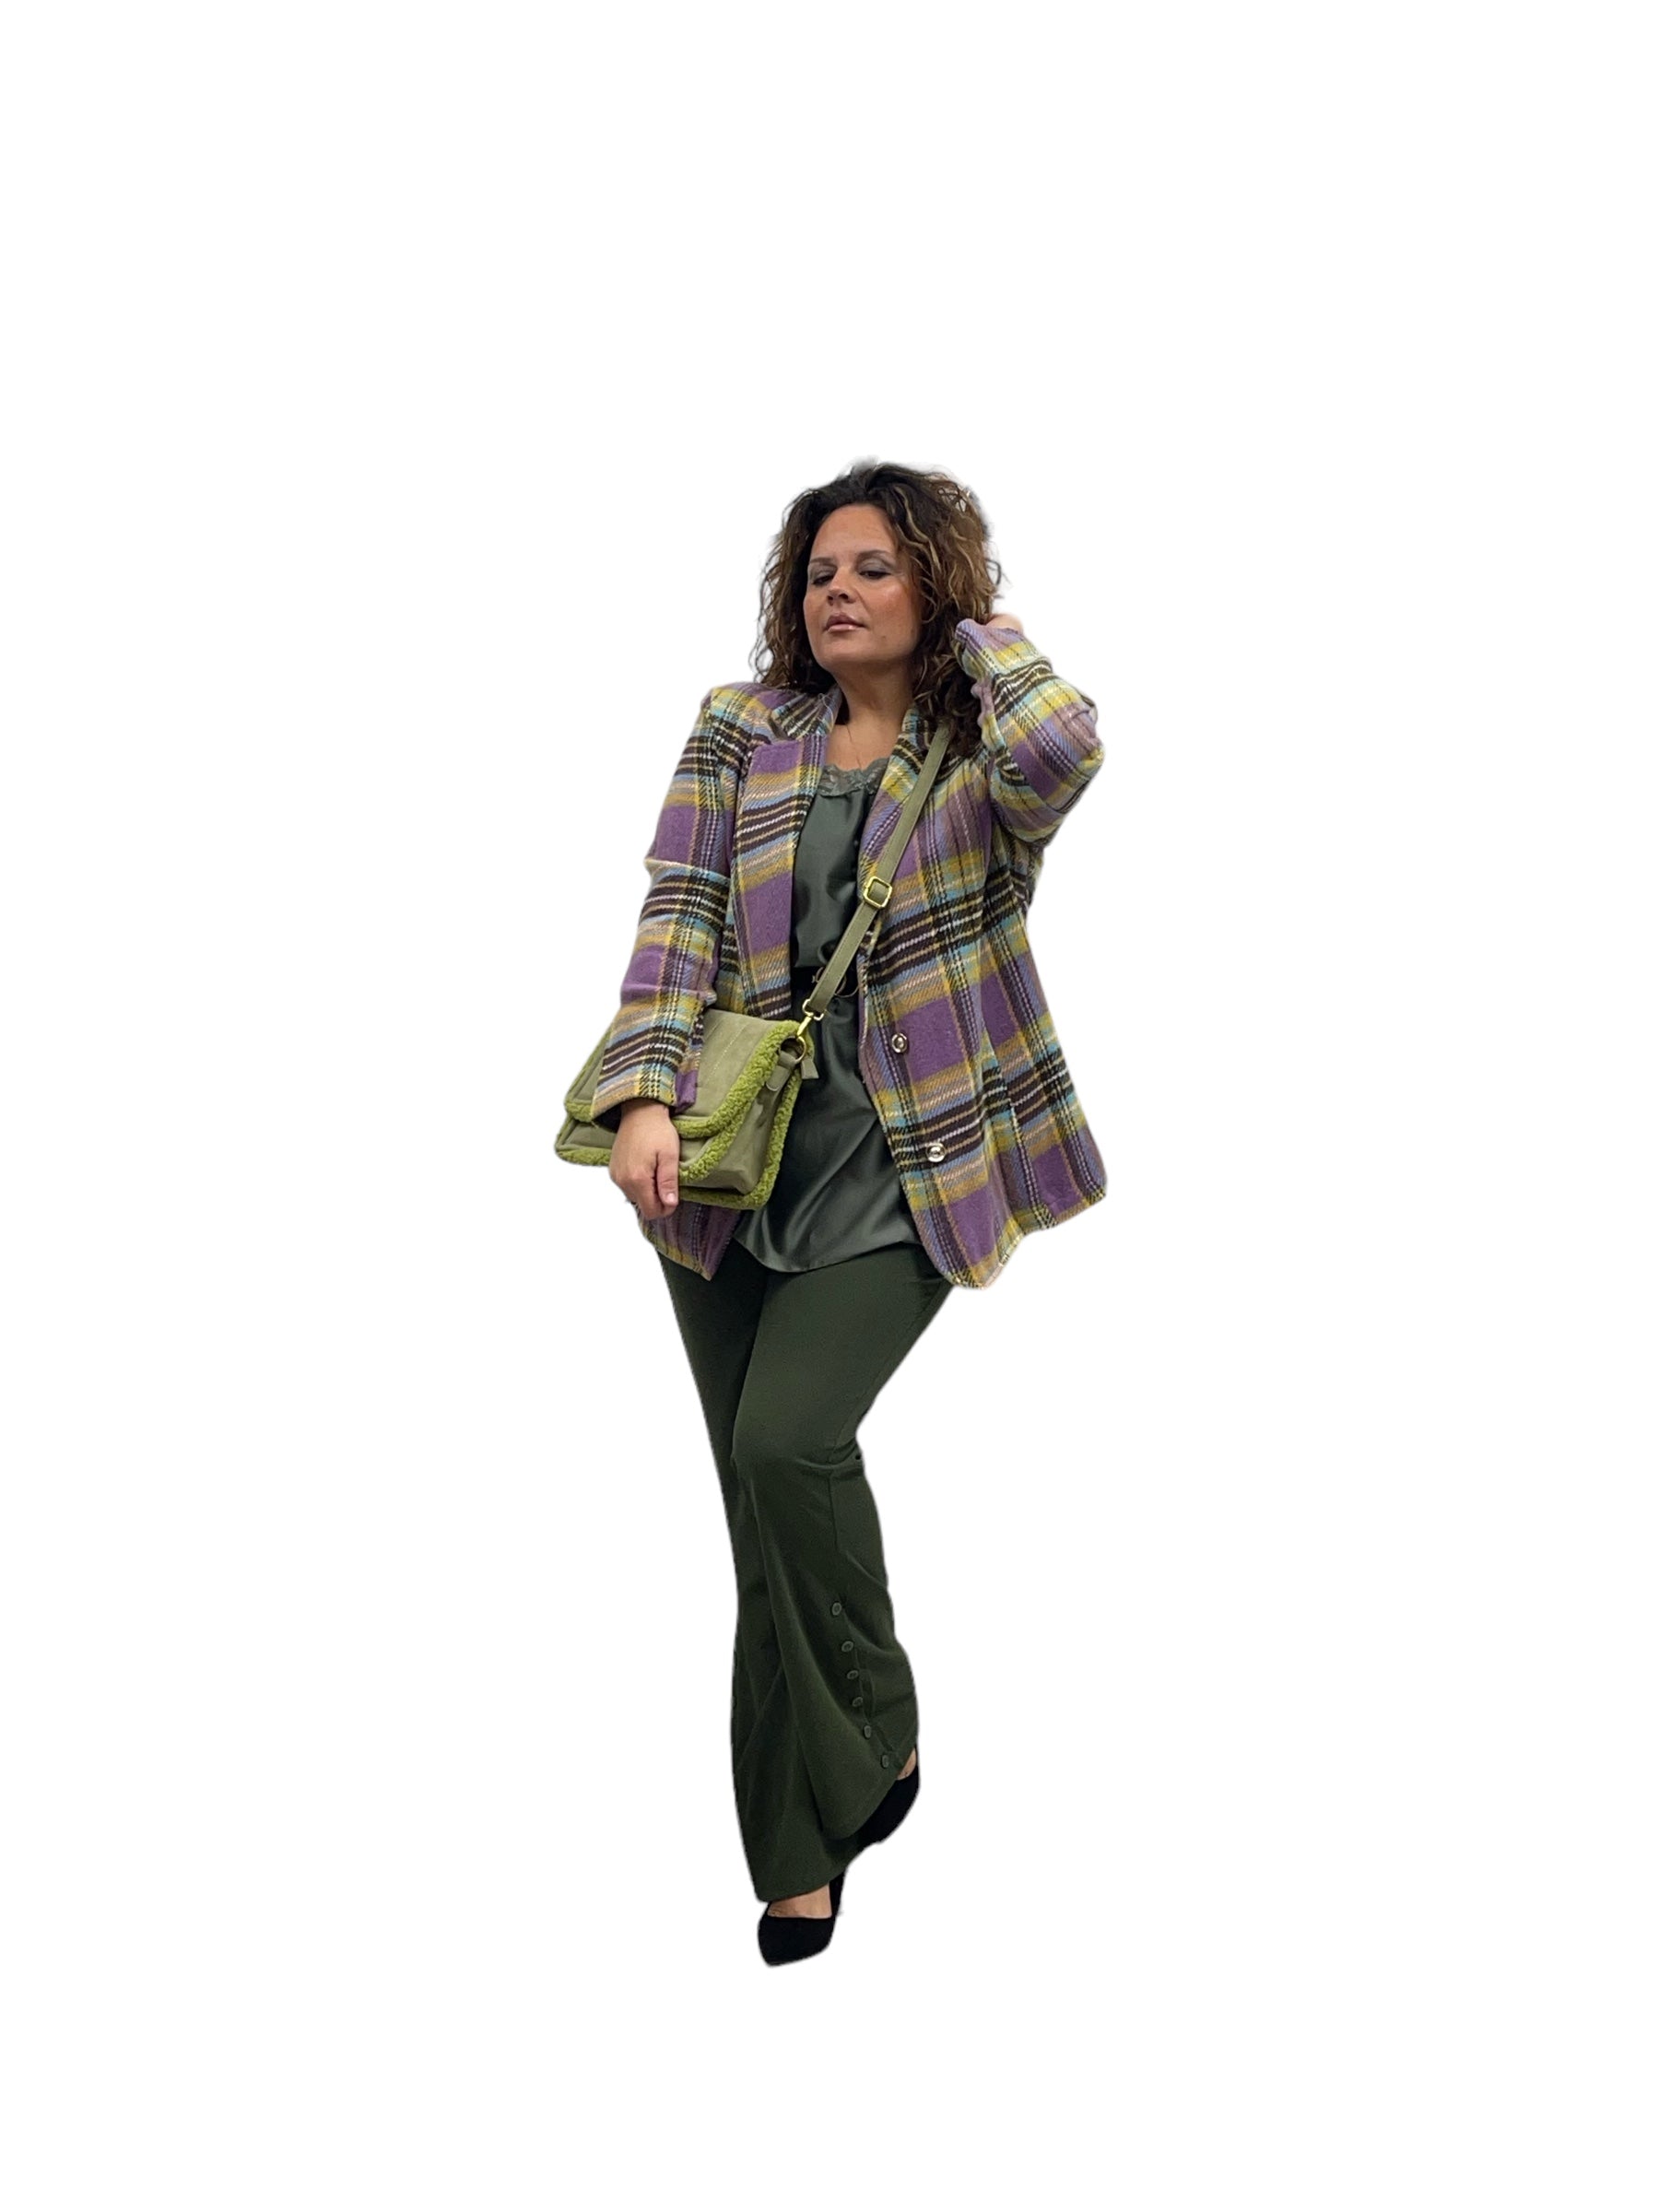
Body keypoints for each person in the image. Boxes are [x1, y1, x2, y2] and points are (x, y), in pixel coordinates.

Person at [586, 459, 1107, 1963]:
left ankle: (878, 1723)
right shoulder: (741, 729)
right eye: (820, 569)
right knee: (760, 1522)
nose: (838, 591)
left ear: (934, 583)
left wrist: (983, 635)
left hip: (910, 1160)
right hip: (726, 1166)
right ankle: (795, 1857)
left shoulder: (981, 753)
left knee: (786, 1445)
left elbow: (1069, 747)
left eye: (876, 567)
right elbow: (678, 914)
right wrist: (639, 1099)